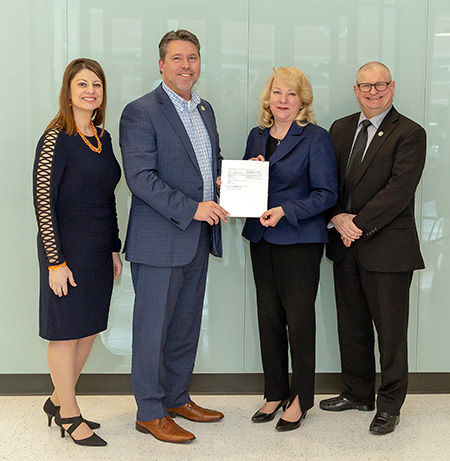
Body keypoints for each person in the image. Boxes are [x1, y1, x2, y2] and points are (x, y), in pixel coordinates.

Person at [120, 29, 229, 444]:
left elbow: (208, 164)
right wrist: (194, 208)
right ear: (161, 64)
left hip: (198, 238)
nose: (187, 65)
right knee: (152, 329)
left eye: (193, 58)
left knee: (185, 326)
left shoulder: (205, 110)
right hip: (159, 239)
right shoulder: (141, 111)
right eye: (178, 58)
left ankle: (177, 397)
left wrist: (234, 180)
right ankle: (149, 411)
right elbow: (140, 178)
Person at [320, 62, 426, 435]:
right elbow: (325, 182)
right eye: (365, 86)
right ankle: (358, 392)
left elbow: (398, 192)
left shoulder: (410, 133)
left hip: (387, 248)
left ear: (392, 87)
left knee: (391, 333)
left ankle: (390, 404)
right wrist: (336, 217)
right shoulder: (340, 129)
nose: (373, 91)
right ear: (356, 89)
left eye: (380, 85)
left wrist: (355, 224)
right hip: (344, 244)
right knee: (352, 326)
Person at [242, 67, 338, 432]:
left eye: (291, 95)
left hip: (299, 240)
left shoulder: (315, 138)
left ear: (303, 101)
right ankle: (274, 391)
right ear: (268, 98)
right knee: (268, 317)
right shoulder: (256, 136)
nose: (283, 100)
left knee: (298, 320)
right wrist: (234, 179)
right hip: (261, 238)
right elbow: (248, 185)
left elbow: (326, 194)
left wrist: (286, 210)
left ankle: (300, 398)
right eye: (277, 93)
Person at [33, 58, 122, 447]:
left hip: (99, 249)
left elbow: (109, 198)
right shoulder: (55, 137)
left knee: (88, 329)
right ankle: (69, 413)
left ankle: (56, 399)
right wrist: (55, 261)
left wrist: (115, 247)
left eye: (97, 85)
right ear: (68, 91)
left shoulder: (103, 138)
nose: (91, 91)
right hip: (65, 248)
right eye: (82, 84)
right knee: (66, 332)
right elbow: (42, 201)